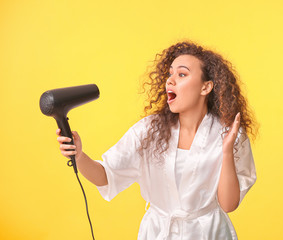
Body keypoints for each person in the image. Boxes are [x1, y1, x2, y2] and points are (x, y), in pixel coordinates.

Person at [56, 41, 258, 240]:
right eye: (170, 74)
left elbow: (229, 204)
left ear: (206, 87)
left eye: (182, 74)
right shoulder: (149, 130)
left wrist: (226, 151)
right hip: (158, 232)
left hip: (208, 234)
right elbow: (106, 176)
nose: (170, 80)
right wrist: (79, 155)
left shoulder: (229, 134)